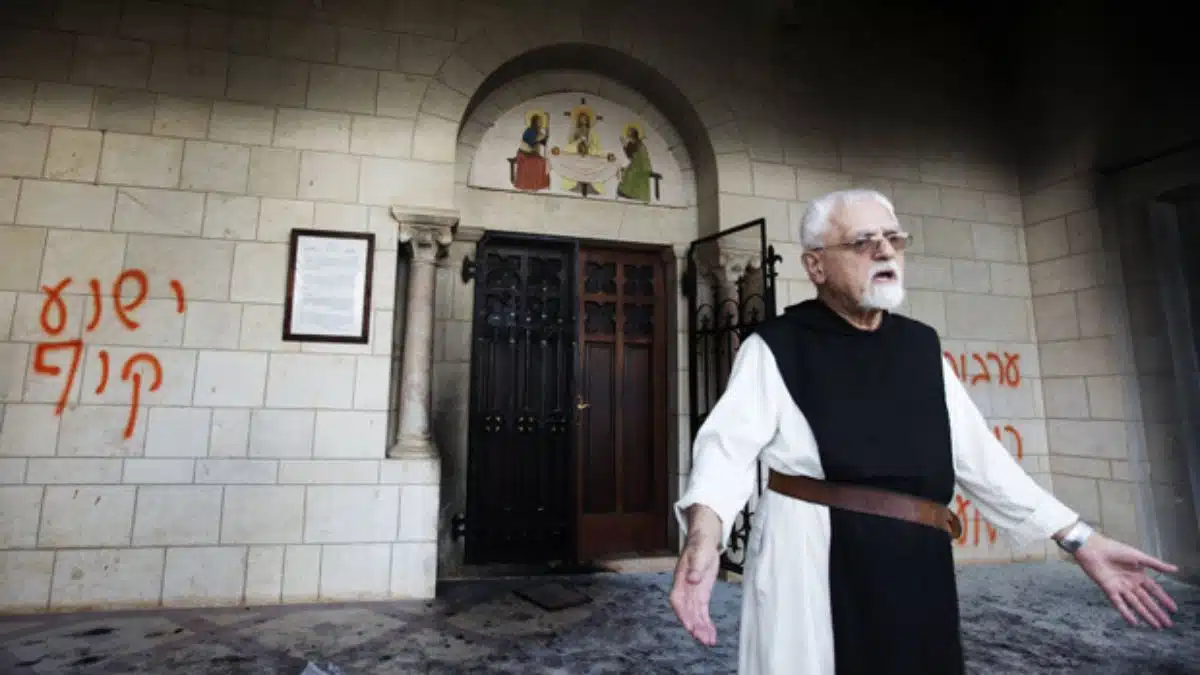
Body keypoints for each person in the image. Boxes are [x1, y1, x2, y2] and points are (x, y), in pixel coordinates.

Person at [668, 188, 1180, 675]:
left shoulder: (920, 346)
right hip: (811, 559)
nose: (885, 250)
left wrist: (1079, 538)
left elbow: (982, 460)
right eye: (863, 242)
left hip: (918, 560)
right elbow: (726, 453)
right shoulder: (775, 346)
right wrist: (704, 539)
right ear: (816, 266)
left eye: (893, 238)